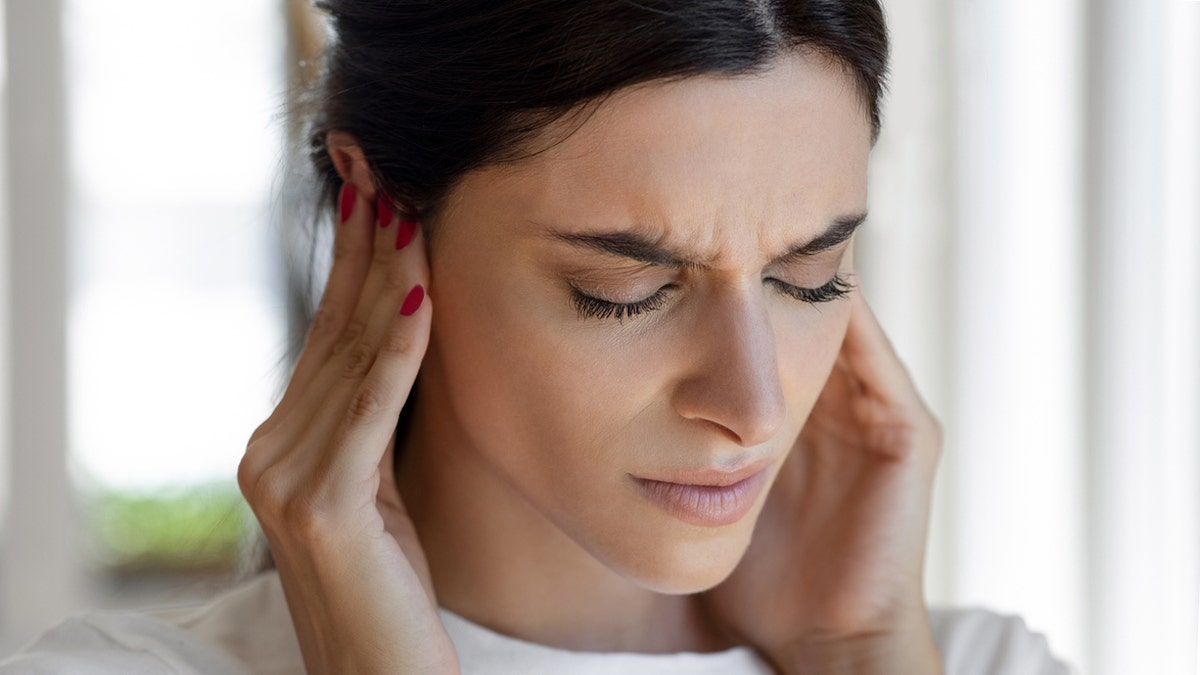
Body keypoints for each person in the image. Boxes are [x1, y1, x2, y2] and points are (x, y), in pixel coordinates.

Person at [2, 1, 1078, 673]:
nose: (751, 406)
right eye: (624, 287)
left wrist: (861, 664)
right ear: (380, 215)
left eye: (812, 275)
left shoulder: (970, 665)